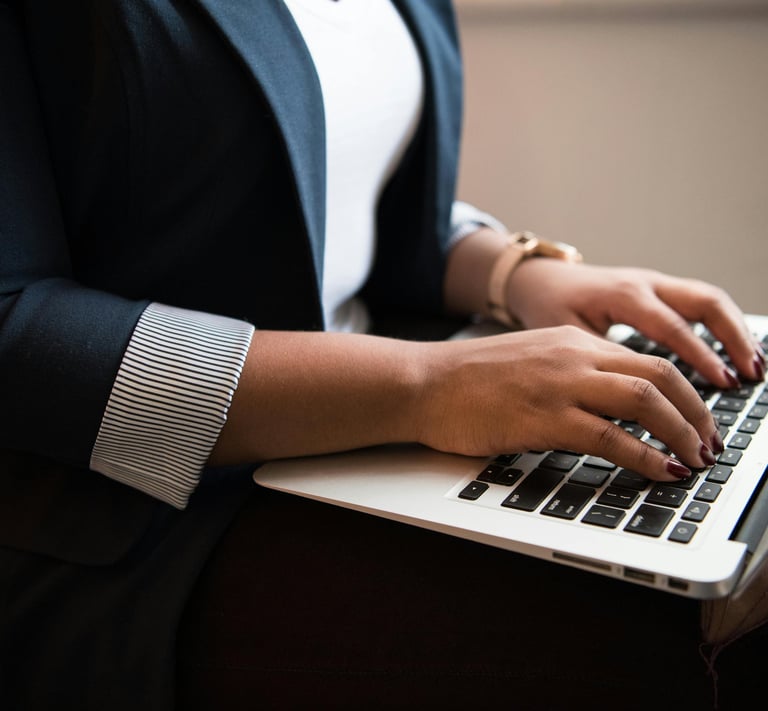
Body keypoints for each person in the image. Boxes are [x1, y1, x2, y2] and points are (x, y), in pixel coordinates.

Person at [1, 0, 765, 709]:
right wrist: (425, 386)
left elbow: (357, 208)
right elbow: (16, 328)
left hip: (371, 434)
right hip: (139, 521)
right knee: (670, 638)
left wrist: (518, 271)